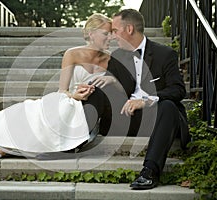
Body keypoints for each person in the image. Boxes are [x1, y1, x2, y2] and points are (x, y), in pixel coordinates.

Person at [0, 13, 112, 159]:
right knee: (36, 118)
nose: (110, 37)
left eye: (111, 33)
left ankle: (5, 148)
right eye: (106, 33)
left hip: (89, 110)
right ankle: (2, 144)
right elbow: (63, 90)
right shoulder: (72, 54)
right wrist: (75, 95)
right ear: (91, 33)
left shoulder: (112, 59)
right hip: (69, 100)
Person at [89, 9, 190, 190]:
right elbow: (115, 93)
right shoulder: (118, 57)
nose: (112, 37)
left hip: (157, 118)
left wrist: (147, 100)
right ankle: (77, 141)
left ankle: (149, 171)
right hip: (127, 118)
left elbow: (178, 90)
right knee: (95, 90)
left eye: (115, 31)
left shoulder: (165, 54)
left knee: (168, 106)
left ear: (129, 29)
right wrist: (105, 83)